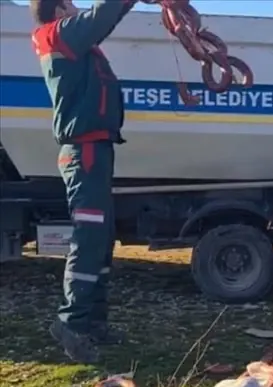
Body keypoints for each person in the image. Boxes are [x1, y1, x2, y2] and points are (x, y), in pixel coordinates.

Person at [30, 0, 137, 363]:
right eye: (71, 2)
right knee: (89, 234)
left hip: (96, 150)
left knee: (102, 237)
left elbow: (103, 18)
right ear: (59, 10)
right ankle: (72, 323)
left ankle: (93, 322)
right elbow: (102, 15)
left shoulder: (74, 44)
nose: (77, 6)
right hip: (84, 151)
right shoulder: (57, 35)